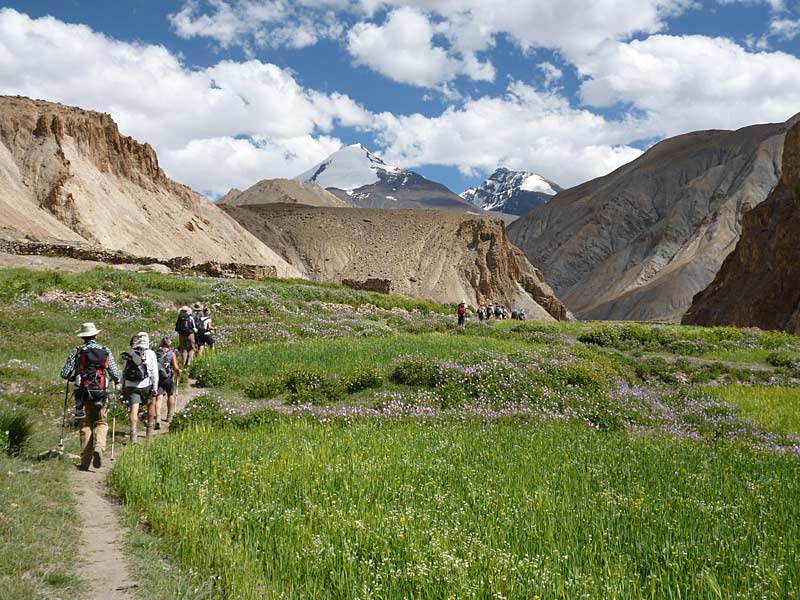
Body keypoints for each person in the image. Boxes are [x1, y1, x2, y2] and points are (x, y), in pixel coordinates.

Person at [60, 322, 120, 470]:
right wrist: (115, 381)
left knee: (86, 424)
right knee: (101, 422)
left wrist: (74, 376)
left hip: (82, 393)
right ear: (95, 335)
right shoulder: (106, 350)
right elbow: (115, 373)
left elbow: (64, 374)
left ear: (83, 336)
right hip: (100, 392)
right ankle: (99, 447)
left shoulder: (77, 351)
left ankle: (85, 462)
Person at [122, 332, 159, 443]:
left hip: (131, 384)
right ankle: (149, 432)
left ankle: (133, 434)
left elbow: (124, 371)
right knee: (150, 405)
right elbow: (154, 372)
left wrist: (123, 384)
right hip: (146, 384)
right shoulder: (151, 353)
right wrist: (155, 387)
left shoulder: (130, 353)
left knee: (134, 409)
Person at [154, 337, 182, 427]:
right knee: (170, 394)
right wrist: (178, 371)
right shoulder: (171, 353)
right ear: (169, 344)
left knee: (159, 397)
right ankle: (169, 416)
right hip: (168, 378)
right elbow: (175, 367)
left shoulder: (156, 353)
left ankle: (158, 417)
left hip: (158, 378)